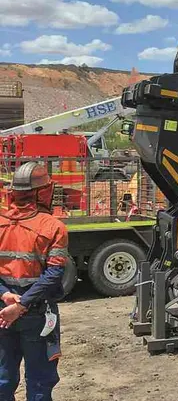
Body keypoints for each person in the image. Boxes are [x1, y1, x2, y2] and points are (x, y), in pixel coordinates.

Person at [0, 162, 68, 401]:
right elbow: (53, 275)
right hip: (36, 313)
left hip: (3, 312)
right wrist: (22, 305)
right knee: (39, 381)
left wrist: (6, 297)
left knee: (3, 377)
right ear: (43, 192)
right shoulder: (53, 226)